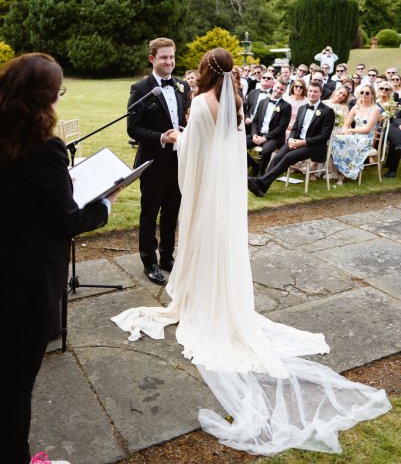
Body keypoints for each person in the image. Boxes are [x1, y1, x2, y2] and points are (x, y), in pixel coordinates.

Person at [112, 49, 390, 457]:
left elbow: (194, 151)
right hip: (223, 196)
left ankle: (199, 297)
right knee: (216, 246)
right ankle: (211, 292)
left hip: (206, 191)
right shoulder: (234, 101)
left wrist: (180, 138)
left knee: (197, 240)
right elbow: (227, 147)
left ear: (206, 70)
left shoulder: (204, 103)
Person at [0, 53, 120, 464]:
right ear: (43, 98)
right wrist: (105, 204)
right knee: (15, 388)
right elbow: (67, 220)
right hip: (26, 284)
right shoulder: (44, 148)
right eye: (58, 92)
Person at [127, 38, 190, 286]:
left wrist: (182, 129)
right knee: (150, 212)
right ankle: (149, 261)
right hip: (153, 162)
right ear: (152, 59)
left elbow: (179, 119)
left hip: (178, 160)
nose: (169, 61)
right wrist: (160, 137)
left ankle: (166, 257)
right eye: (164, 57)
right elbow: (133, 128)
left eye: (172, 57)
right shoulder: (140, 89)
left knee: (172, 211)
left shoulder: (182, 86)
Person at [248, 81, 335, 196]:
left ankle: (260, 182)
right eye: (310, 91)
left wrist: (302, 142)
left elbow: (324, 136)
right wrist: (291, 139)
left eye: (315, 91)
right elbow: (295, 128)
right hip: (296, 142)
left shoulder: (328, 112)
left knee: (288, 157)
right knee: (277, 157)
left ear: (320, 93)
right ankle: (262, 188)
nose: (312, 94)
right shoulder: (302, 108)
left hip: (313, 146)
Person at [331, 85, 381, 184]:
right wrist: (344, 131)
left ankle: (342, 175)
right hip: (354, 135)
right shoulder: (356, 106)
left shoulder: (375, 109)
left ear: (372, 95)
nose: (364, 95)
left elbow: (367, 129)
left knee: (346, 142)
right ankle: (339, 171)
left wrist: (351, 131)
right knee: (335, 139)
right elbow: (346, 124)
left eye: (367, 93)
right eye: (362, 92)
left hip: (366, 138)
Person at [247, 77, 292, 175]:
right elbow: (255, 122)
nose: (279, 91)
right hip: (258, 134)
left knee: (266, 151)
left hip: (274, 137)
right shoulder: (263, 102)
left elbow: (281, 128)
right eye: (278, 88)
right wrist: (254, 134)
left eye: (282, 89)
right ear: (273, 86)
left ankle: (261, 172)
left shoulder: (286, 106)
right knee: (239, 144)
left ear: (284, 91)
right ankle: (254, 166)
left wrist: (264, 138)